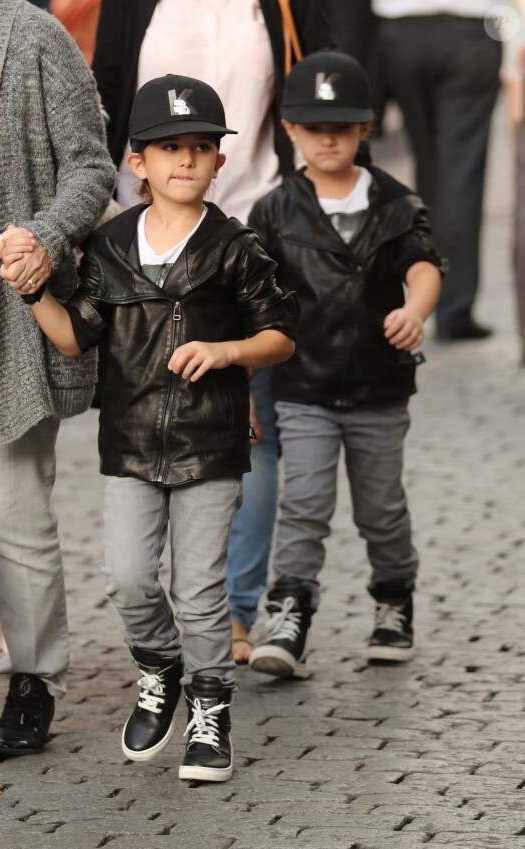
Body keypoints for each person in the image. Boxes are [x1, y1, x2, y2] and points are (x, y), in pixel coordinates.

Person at [1, 75, 296, 782]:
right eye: (169, 148)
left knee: (200, 590)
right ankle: (159, 664)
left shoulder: (235, 247)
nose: (186, 160)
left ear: (220, 162)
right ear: (137, 162)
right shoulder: (108, 248)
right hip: (130, 443)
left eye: (201, 147)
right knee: (129, 577)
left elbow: (281, 335)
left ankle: (210, 705)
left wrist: (228, 351)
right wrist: (36, 290)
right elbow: (75, 339)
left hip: (213, 442)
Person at [91, 0, 336, 664]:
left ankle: (232, 606)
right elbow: (105, 90)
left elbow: (317, 81)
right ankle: (159, 617)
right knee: (142, 410)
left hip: (252, 220)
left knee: (248, 418)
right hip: (144, 233)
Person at [0, 0, 115, 773]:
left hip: (0, 320)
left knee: (12, 520)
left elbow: (91, 166)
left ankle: (34, 679)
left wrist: (45, 238)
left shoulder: (29, 32)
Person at [245, 50, 442, 681]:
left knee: (380, 507)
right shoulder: (274, 212)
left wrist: (416, 308)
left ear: (365, 129)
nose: (327, 137)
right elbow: (254, 300)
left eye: (342, 125)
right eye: (312, 126)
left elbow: (423, 263)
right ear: (290, 130)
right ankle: (290, 609)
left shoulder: (397, 202)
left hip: (381, 390)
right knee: (303, 503)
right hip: (302, 389)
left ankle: (393, 600)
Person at [371, 0, 501, 340]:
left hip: (399, 29)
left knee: (429, 171)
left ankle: (421, 294)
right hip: (469, 28)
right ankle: (453, 307)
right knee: (460, 173)